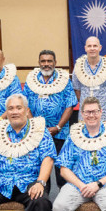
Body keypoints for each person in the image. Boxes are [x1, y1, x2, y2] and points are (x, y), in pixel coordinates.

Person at [23, 50, 77, 189]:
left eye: (49, 61)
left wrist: (58, 127)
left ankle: (65, 203)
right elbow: (25, 105)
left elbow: (70, 105)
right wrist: (36, 127)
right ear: (39, 63)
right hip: (37, 134)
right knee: (40, 170)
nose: (46, 64)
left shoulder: (64, 80)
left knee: (62, 171)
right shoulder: (31, 80)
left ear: (55, 63)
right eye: (43, 61)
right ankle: (43, 201)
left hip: (60, 132)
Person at [72, 36, 106, 122]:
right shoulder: (78, 67)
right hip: (85, 115)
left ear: (100, 48)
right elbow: (77, 90)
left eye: (95, 46)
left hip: (105, 115)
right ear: (85, 48)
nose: (92, 48)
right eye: (89, 46)